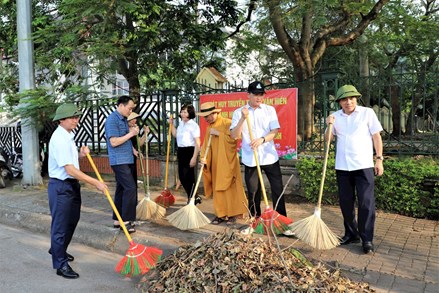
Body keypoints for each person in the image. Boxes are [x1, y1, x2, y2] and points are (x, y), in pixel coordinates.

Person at [48, 103, 107, 279]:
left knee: (72, 220)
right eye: (72, 117)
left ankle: (58, 249)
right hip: (61, 186)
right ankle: (60, 264)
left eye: (77, 117)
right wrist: (95, 182)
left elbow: (71, 162)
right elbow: (69, 170)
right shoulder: (59, 138)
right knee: (60, 226)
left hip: (71, 185)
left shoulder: (68, 135)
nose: (76, 120)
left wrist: (81, 154)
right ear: (62, 120)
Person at [326, 84, 384, 254]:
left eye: (351, 98)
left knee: (366, 203)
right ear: (339, 102)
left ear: (356, 99)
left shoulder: (367, 113)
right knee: (345, 203)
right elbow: (328, 139)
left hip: (363, 165)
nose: (348, 102)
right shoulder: (335, 117)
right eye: (344, 99)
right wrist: (328, 125)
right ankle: (351, 234)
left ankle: (367, 239)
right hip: (343, 166)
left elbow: (376, 137)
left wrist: (379, 159)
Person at [230, 81, 293, 236]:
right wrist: (243, 119)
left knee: (277, 189)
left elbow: (275, 131)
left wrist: (262, 139)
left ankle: (282, 224)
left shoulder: (269, 110)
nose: (259, 98)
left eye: (261, 94)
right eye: (256, 94)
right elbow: (234, 135)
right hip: (251, 159)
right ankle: (254, 222)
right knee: (253, 192)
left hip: (269, 156)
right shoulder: (239, 112)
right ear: (248, 95)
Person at [197, 102, 247, 224]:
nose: (206, 119)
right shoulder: (209, 128)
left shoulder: (227, 123)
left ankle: (232, 214)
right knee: (218, 188)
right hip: (215, 163)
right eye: (204, 117)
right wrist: (203, 158)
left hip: (228, 162)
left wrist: (219, 134)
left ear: (215, 113)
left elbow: (234, 138)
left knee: (230, 187)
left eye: (208, 116)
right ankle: (220, 214)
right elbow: (206, 146)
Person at [105, 96, 139, 233]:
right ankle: (126, 221)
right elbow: (113, 142)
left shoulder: (123, 119)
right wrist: (131, 134)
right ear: (121, 105)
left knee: (121, 189)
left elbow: (124, 138)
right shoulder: (112, 119)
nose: (130, 112)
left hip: (127, 158)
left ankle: (117, 220)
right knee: (130, 188)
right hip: (119, 160)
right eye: (129, 108)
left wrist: (133, 149)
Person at [169, 104, 202, 204]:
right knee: (182, 177)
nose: (182, 114)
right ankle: (195, 196)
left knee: (189, 177)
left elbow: (198, 143)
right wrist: (171, 125)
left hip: (190, 151)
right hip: (181, 151)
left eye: (185, 112)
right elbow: (175, 135)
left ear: (190, 113)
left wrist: (194, 157)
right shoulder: (181, 124)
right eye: (182, 111)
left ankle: (191, 199)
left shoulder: (194, 125)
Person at [127, 112, 149, 200]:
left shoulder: (134, 129)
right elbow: (126, 142)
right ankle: (129, 201)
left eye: (135, 118)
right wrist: (134, 150)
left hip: (133, 157)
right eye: (131, 119)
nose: (134, 120)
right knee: (128, 182)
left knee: (133, 179)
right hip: (125, 157)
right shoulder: (124, 129)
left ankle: (133, 201)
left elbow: (139, 143)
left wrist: (145, 134)